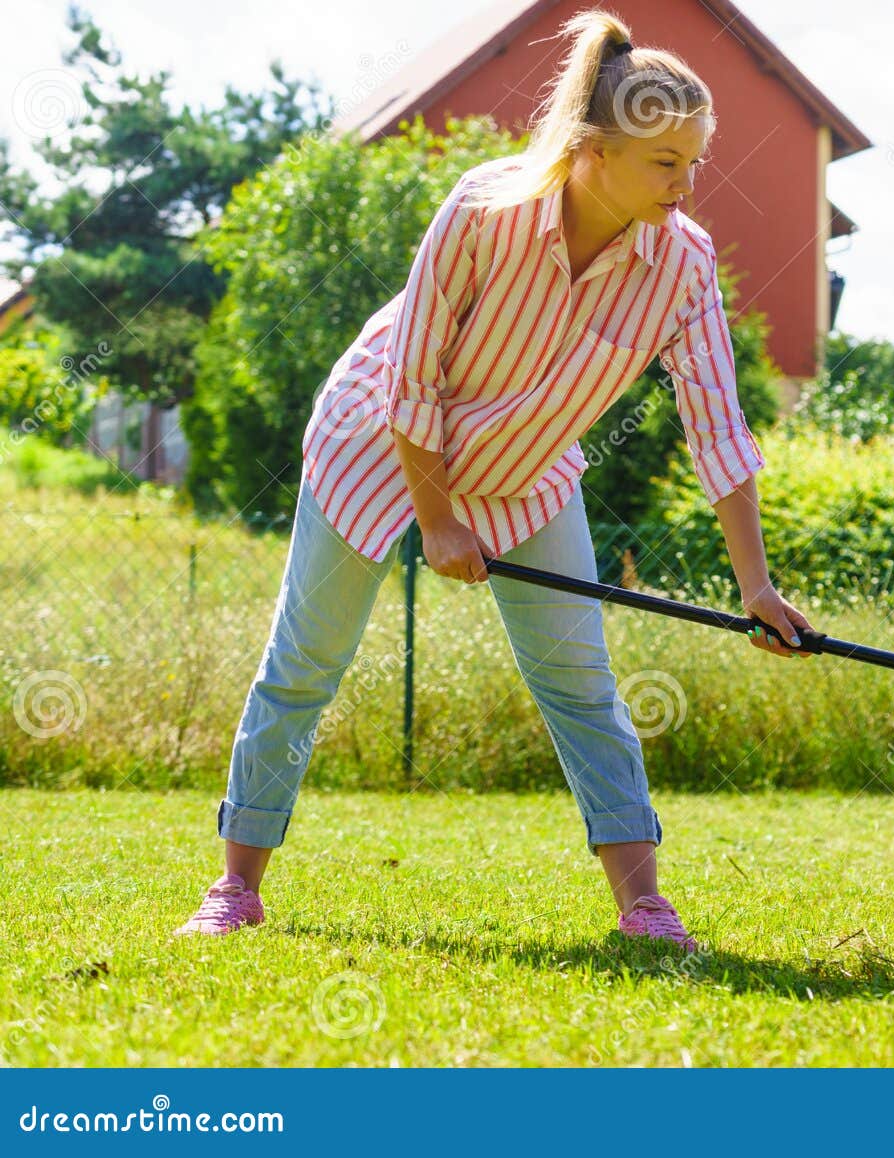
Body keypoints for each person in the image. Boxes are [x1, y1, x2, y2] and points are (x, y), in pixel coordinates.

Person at [174, 9, 814, 950]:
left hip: (523, 468)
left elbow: (717, 421)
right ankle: (236, 887)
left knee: (581, 684)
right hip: (381, 440)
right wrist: (435, 520)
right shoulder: (484, 210)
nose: (686, 185)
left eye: (694, 162)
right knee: (306, 664)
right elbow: (413, 376)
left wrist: (755, 585)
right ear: (593, 152)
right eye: (664, 162)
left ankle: (643, 906)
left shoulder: (680, 263)